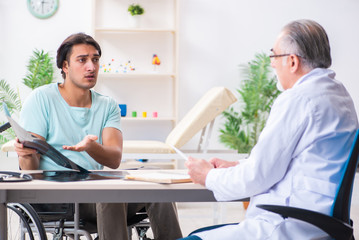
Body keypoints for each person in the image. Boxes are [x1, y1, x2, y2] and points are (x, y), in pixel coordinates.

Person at [181, 19, 359, 239]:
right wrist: (237, 165)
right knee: (201, 233)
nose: (272, 64)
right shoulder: (338, 95)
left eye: (274, 56)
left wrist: (208, 176)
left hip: (290, 224)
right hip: (321, 222)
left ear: (292, 61)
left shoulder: (298, 99)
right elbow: (298, 161)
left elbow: (257, 177)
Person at [14, 32, 182, 240]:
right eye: (82, 60)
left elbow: (114, 159)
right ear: (65, 67)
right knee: (109, 192)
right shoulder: (41, 99)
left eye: (95, 60)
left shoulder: (107, 105)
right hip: (55, 198)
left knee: (157, 183)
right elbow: (31, 171)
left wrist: (91, 147)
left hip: (96, 192)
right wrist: (26, 154)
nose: (91, 67)